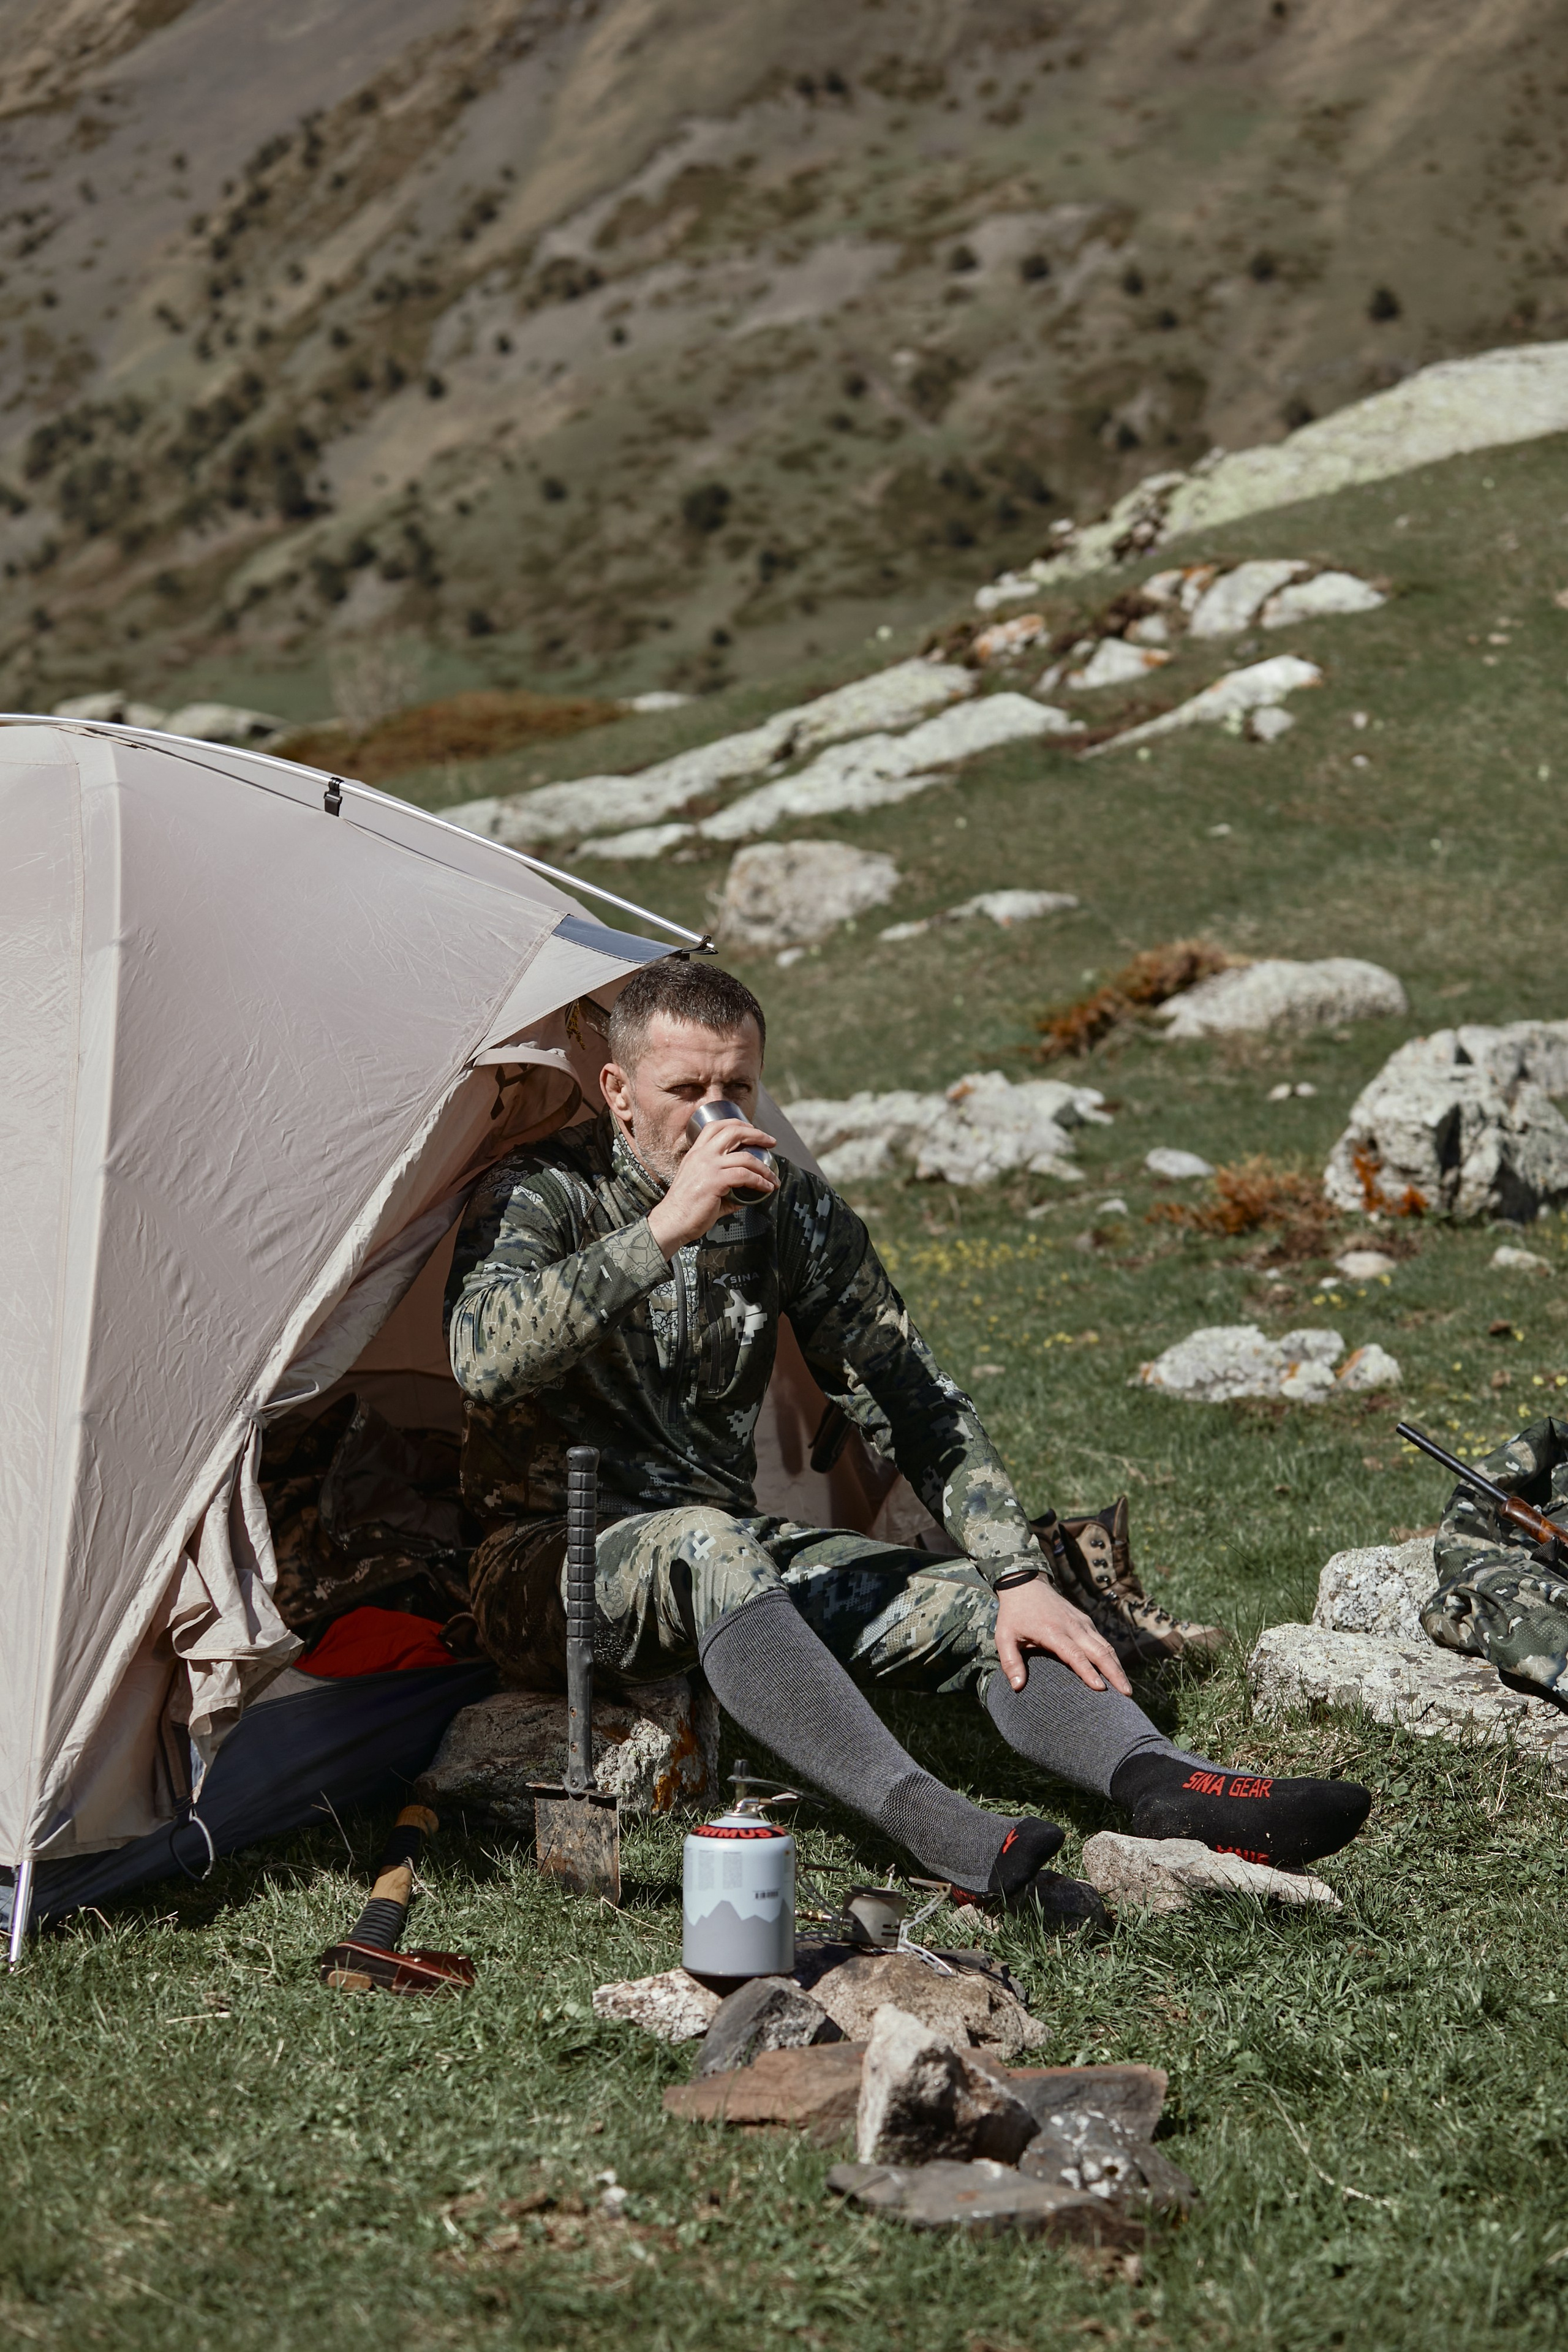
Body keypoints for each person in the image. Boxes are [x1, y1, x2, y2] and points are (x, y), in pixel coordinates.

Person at [445, 959, 1370, 1916]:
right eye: (685, 1091)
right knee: (707, 1543)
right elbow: (482, 1357)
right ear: (619, 1092)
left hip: (729, 1553)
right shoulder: (543, 1193)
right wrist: (664, 1230)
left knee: (986, 1605)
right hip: (549, 1568)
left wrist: (1018, 1574)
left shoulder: (786, 1207)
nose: (714, 1113)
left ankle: (1166, 1783)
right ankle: (937, 1825)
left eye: (738, 1088)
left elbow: (912, 1392)